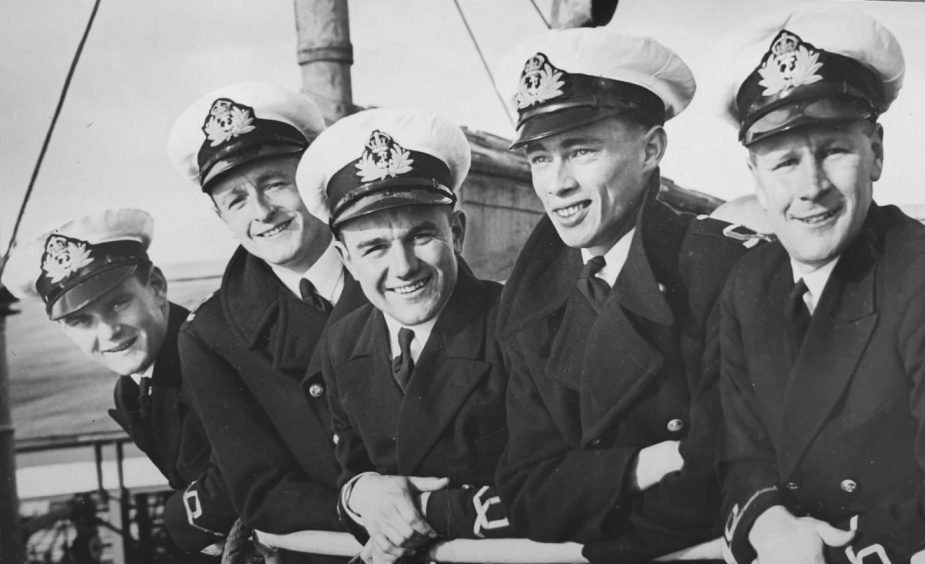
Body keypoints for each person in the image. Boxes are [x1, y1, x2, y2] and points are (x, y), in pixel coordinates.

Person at [491, 28, 764, 563]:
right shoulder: (529, 301)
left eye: (580, 150)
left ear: (651, 149)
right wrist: (645, 464)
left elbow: (719, 476)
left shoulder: (719, 270)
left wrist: (593, 503)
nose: (556, 184)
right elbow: (524, 494)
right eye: (540, 158)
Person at [712, 7, 925, 564]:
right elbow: (740, 454)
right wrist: (770, 524)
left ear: (875, 152)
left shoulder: (918, 275)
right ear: (756, 180)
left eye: (833, 151)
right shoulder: (749, 284)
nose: (810, 188)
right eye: (783, 162)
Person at [297, 108, 513, 564]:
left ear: (455, 232)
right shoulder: (343, 344)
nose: (403, 267)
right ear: (346, 259)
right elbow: (351, 471)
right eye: (374, 247)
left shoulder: (515, 326)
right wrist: (361, 494)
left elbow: (557, 488)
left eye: (420, 236)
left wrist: (419, 513)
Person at [166, 83, 367, 556]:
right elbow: (260, 493)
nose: (262, 211)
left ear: (313, 182)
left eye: (276, 183)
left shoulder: (399, 274)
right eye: (236, 200)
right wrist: (363, 506)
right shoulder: (211, 337)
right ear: (222, 217)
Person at [10, 208, 237, 560]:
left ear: (157, 287)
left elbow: (246, 479)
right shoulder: (131, 389)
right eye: (81, 321)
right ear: (64, 330)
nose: (109, 332)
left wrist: (178, 517)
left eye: (119, 303)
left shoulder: (215, 351)